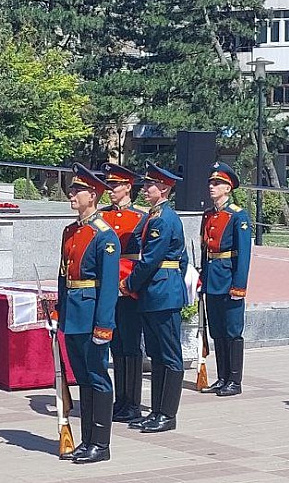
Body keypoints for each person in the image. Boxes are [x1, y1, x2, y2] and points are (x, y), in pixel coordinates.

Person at [53, 163, 119, 464]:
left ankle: (100, 443)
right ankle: (87, 439)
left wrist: (104, 325)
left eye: (78, 190)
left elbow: (108, 286)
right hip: (73, 314)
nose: (72, 194)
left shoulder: (104, 235)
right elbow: (63, 275)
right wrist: (59, 309)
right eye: (72, 189)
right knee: (83, 379)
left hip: (92, 315)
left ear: (93, 195)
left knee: (97, 377)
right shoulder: (70, 231)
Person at [121, 161, 188, 433]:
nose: (145, 188)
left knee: (169, 355)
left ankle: (167, 414)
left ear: (164, 188)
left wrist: (128, 283)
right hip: (155, 291)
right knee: (157, 354)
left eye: (150, 184)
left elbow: (150, 259)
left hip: (162, 292)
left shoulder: (163, 219)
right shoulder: (154, 216)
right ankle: (157, 411)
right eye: (146, 183)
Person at [98, 162, 146, 423]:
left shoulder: (140, 217)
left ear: (128, 187)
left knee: (130, 345)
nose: (110, 190)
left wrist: (131, 284)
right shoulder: (102, 216)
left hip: (128, 289)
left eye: (115, 185)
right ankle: (120, 400)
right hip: (107, 288)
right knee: (115, 345)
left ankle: (133, 402)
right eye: (109, 185)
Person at [198, 162, 252, 397]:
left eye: (217, 183)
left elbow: (244, 254)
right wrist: (202, 278)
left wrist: (239, 286)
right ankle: (222, 377)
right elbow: (205, 250)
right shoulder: (209, 214)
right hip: (212, 278)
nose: (212, 186)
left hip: (229, 279)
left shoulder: (237, 216)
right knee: (217, 331)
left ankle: (234, 380)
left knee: (232, 331)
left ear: (228, 188)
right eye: (211, 182)